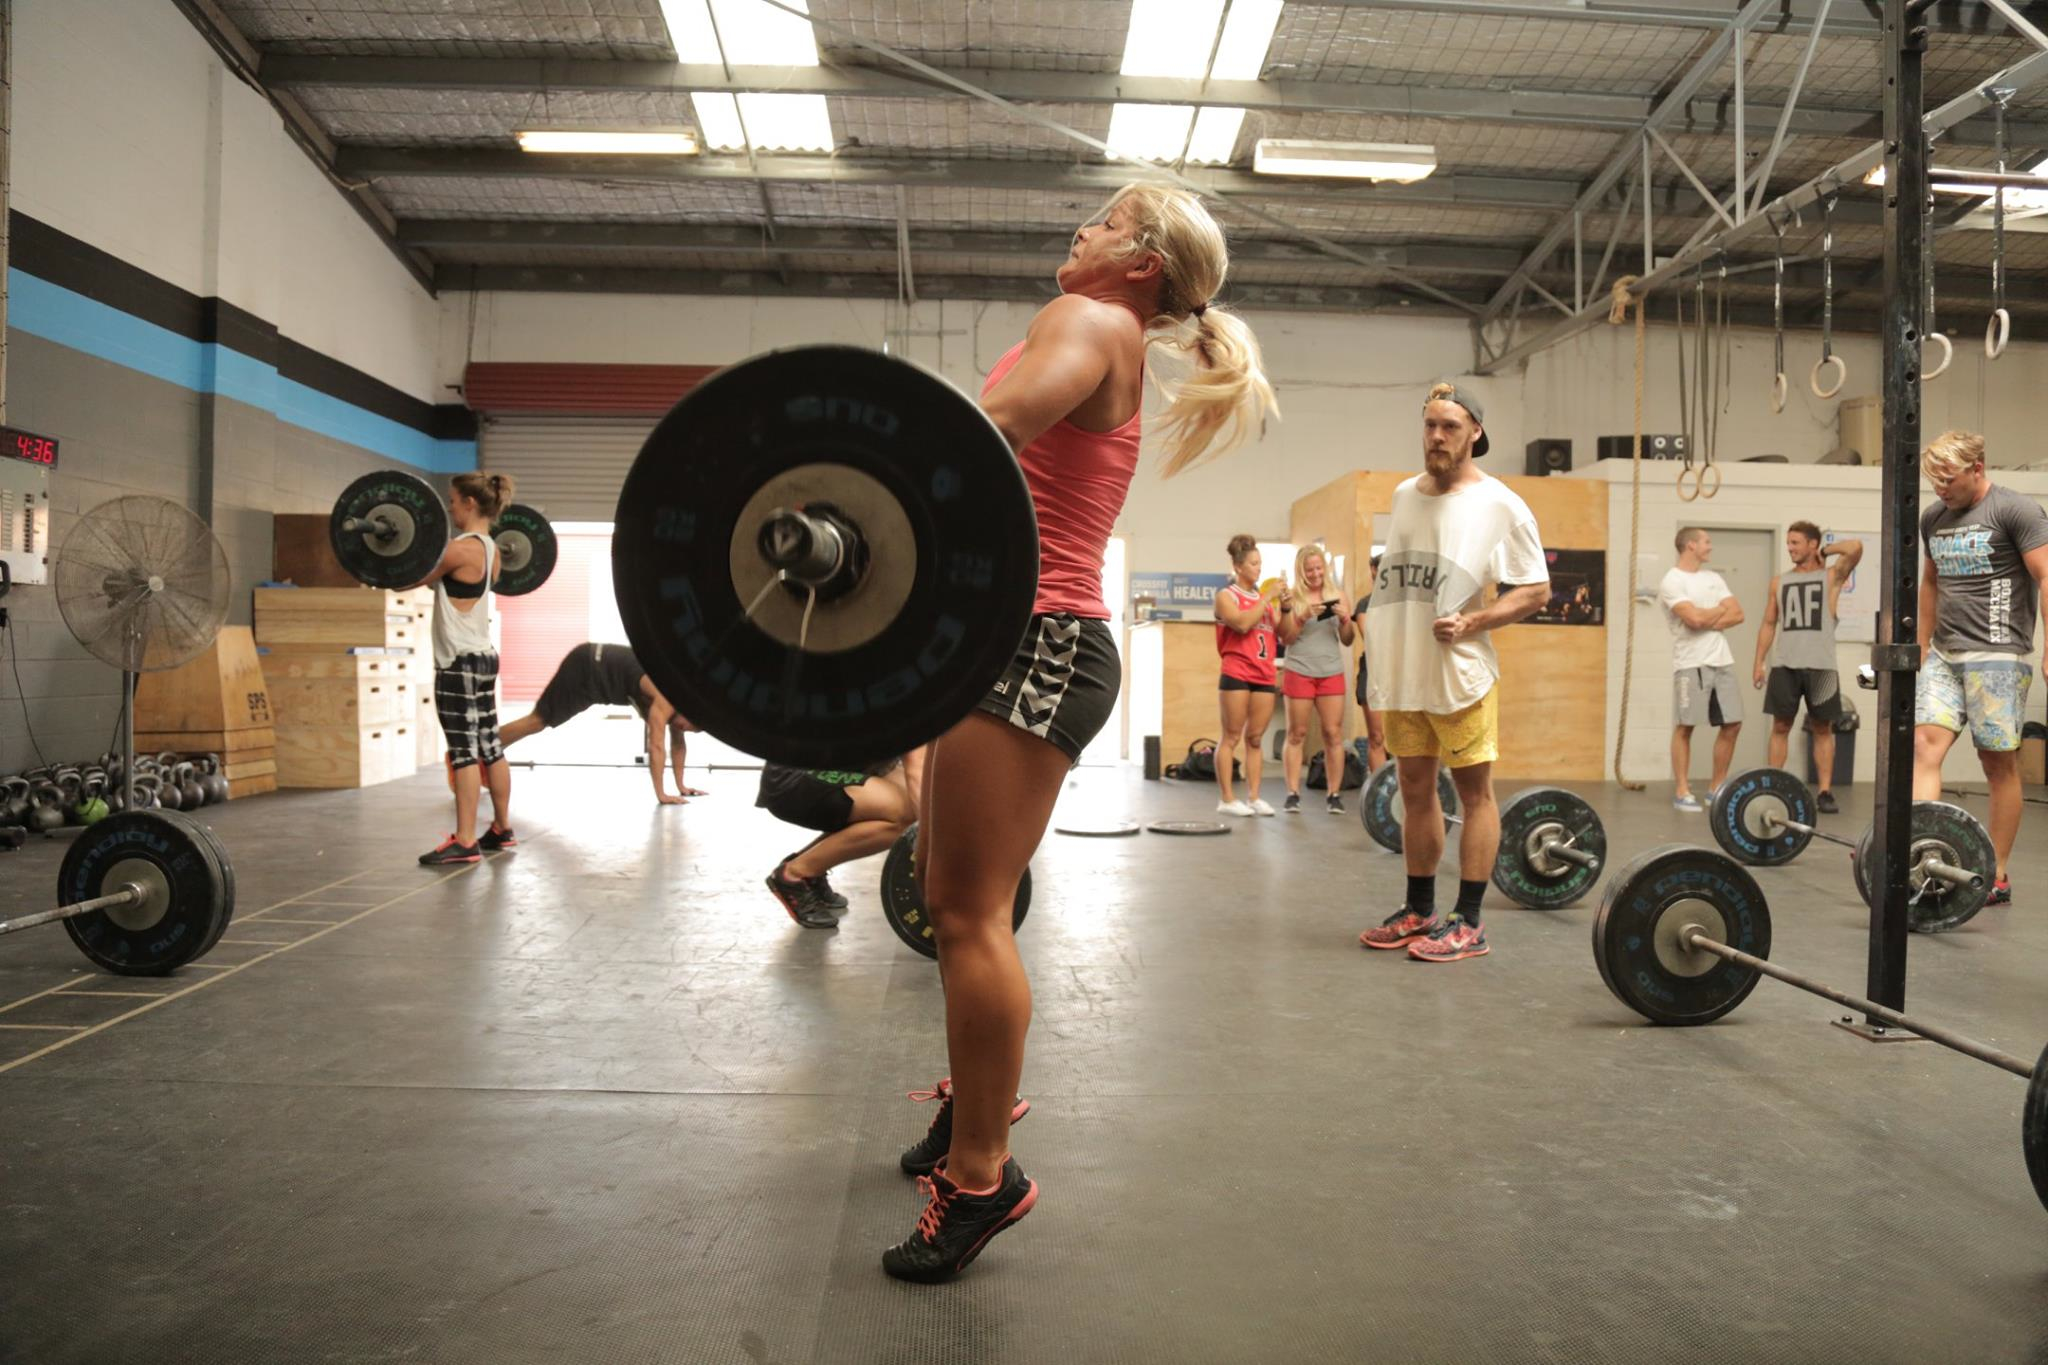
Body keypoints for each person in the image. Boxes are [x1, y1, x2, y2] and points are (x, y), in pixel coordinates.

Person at [889, 184, 1276, 1283]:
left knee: (965, 911)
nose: (1081, 230)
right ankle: (972, 1105)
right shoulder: (1103, 328)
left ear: (1141, 264)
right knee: (950, 887)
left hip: (1037, 640)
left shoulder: (1091, 322)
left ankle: (979, 1180)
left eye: (1105, 222)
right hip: (1018, 637)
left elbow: (988, 432)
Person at [1358, 384, 1548, 963]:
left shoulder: (1502, 504)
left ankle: (1470, 923)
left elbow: (1536, 590)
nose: (1437, 436)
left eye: (1450, 427)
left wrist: (1476, 622)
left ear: (1475, 434)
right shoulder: (1403, 496)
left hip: (1461, 674)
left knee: (1474, 795)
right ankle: (1420, 911)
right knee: (1415, 791)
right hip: (1404, 673)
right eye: (1430, 425)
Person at [1915, 431, 2048, 904]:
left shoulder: (2016, 510)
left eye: (1948, 480)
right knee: (1924, 747)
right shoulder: (1933, 517)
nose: (1940, 491)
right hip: (1945, 655)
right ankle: (1921, 851)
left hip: (1998, 655)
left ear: (1978, 467)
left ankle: (1998, 873)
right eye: (1934, 482)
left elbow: (2046, 575)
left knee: (1997, 765)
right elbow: (1930, 582)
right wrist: (1919, 643)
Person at [414, 472, 516, 866]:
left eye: (454, 501)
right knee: (490, 746)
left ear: (471, 504)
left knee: (463, 752)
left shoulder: (460, 549)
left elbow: (411, 578)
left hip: (457, 661)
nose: (451, 508)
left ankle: (466, 839)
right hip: (484, 656)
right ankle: (502, 829)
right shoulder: (493, 551)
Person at [498, 642, 706, 806]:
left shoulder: (677, 703)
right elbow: (656, 745)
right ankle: (484, 748)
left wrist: (681, 786)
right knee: (538, 721)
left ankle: (489, 754)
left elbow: (678, 745)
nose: (683, 729)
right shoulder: (668, 698)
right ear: (688, 711)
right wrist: (661, 794)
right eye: (688, 726)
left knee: (539, 721)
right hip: (586, 667)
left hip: (593, 679)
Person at [1752, 523, 1861, 815]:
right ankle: (1774, 784)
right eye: (1788, 543)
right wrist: (1759, 662)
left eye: (1796, 543)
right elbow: (1768, 623)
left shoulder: (1831, 577)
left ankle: (1824, 791)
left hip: (1821, 667)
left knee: (1823, 728)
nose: (1790, 548)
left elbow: (1855, 548)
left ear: (1812, 544)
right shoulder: (1779, 582)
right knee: (1780, 727)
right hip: (1785, 665)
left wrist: (1825, 550)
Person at [756, 749, 923, 928]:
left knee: (913, 799)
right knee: (904, 816)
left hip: (826, 769)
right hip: (794, 779)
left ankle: (811, 866)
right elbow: (915, 770)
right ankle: (793, 875)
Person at [1659, 528, 1745, 813]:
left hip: (1721, 659)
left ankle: (1715, 788)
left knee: (1732, 723)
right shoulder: (1672, 581)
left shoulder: (1713, 578)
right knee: (1686, 726)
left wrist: (1708, 615)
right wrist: (1718, 611)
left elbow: (1738, 613)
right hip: (1690, 663)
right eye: (1706, 542)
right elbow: (1693, 619)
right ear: (1691, 545)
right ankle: (1682, 790)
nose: (1710, 547)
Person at [1279, 542, 1355, 814]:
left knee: (1333, 733)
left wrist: (1346, 620)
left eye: (1318, 568)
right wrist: (1300, 617)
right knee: (1297, 732)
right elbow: (1285, 637)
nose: (1314, 574)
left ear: (1325, 568)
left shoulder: (1338, 595)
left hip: (1331, 671)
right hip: (1299, 669)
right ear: (1301, 571)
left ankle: (1334, 794)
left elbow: (1347, 641)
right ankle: (1292, 793)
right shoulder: (1293, 597)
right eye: (1309, 569)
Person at [1212, 535, 1282, 816]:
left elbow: (1284, 632)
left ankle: (1254, 797)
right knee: (1231, 736)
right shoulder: (1226, 596)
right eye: (1254, 563)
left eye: (1260, 563)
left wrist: (1285, 607)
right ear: (1239, 567)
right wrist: (1267, 597)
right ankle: (1227, 799)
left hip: (1264, 674)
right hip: (1237, 671)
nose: (1259, 568)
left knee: (1255, 738)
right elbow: (1241, 624)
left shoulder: (1263, 601)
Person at [1349, 555, 1388, 775]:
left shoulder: (1403, 606)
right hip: (1373, 673)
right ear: (1373, 570)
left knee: (1407, 738)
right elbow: (1371, 638)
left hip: (1399, 674)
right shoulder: (1365, 604)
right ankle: (1379, 789)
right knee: (1376, 736)